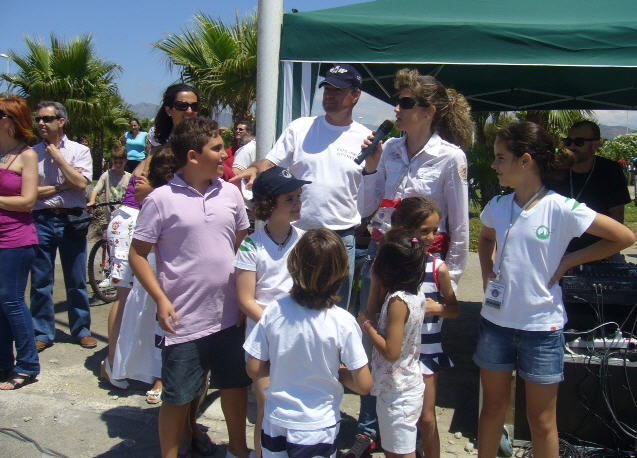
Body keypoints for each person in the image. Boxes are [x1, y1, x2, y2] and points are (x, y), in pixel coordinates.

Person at [476, 121, 635, 457]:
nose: (494, 165)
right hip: (496, 326)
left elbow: (623, 236)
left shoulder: (561, 208)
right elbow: (486, 236)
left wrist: (568, 260)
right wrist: (488, 271)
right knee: (491, 410)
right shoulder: (498, 206)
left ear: (526, 160)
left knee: (542, 421)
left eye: (500, 158)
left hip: (541, 330)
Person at [350, 67, 473, 457]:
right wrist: (371, 165)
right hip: (381, 258)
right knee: (379, 345)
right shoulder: (390, 151)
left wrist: (445, 281)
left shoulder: (450, 158)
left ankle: (417, 439)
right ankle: (374, 429)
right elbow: (367, 208)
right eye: (397, 102)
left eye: (405, 103)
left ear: (428, 110)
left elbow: (461, 224)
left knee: (416, 356)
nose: (397, 110)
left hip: (424, 270)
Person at [129, 117, 251, 458]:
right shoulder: (161, 199)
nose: (225, 154)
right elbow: (138, 255)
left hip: (230, 316)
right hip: (183, 320)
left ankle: (239, 450)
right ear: (194, 156)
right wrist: (160, 298)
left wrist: (245, 297)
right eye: (217, 149)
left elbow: (241, 246)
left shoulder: (230, 193)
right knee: (179, 396)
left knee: (235, 385)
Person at [234, 64, 375, 310]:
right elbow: (270, 162)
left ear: (356, 96)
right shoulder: (300, 127)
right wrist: (255, 169)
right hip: (298, 236)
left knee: (335, 312)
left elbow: (372, 191)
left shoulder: (366, 139)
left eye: (338, 90)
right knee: (295, 307)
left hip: (341, 238)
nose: (330, 95)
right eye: (327, 89)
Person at [100, 84, 200, 393]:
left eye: (194, 105)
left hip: (160, 221)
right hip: (136, 220)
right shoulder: (161, 142)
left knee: (158, 296)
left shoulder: (194, 139)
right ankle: (115, 363)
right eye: (182, 106)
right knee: (126, 293)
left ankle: (154, 370)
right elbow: (142, 188)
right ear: (169, 109)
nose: (189, 111)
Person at [243, 228, 373, 458]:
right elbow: (364, 385)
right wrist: (338, 373)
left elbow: (253, 368)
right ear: (342, 272)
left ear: (293, 265)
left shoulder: (274, 310)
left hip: (275, 420)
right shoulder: (343, 322)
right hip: (317, 426)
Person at [234, 166, 310, 457]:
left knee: (296, 407)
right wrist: (280, 325)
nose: (297, 202)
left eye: (299, 196)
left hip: (299, 339)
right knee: (266, 406)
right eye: (290, 198)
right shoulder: (252, 247)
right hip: (263, 339)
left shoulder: (305, 242)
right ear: (268, 204)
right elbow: (245, 300)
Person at [391, 198, 459, 458]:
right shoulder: (391, 265)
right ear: (407, 230)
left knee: (427, 419)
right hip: (398, 354)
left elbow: (454, 310)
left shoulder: (438, 268)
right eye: (425, 231)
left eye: (435, 230)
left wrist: (437, 309)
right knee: (399, 416)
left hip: (427, 352)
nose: (432, 237)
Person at [111, 148, 177, 403]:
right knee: (150, 315)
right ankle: (152, 371)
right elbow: (138, 184)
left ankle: (162, 375)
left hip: (178, 261)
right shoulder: (153, 163)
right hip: (152, 253)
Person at [30, 101, 94, 352]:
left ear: (61, 122)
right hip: (41, 219)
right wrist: (61, 186)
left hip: (72, 219)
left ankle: (81, 330)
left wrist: (58, 158)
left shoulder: (79, 151)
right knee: (40, 280)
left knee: (76, 278)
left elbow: (80, 183)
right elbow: (30, 192)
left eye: (47, 119)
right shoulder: (32, 154)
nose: (41, 124)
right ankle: (43, 331)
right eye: (39, 119)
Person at [358, 229, 428, 458]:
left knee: (399, 452)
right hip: (402, 386)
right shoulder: (414, 292)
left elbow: (391, 351)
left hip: (398, 392)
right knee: (395, 448)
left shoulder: (398, 302)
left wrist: (367, 325)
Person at [0, 97, 40, 390]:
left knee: (12, 300)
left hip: (16, 237)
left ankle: (27, 364)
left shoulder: (27, 156)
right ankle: (3, 362)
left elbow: (28, 201)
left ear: (12, 120)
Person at [550, 120, 631, 253]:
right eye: (568, 141)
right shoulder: (556, 169)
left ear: (596, 144)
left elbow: (617, 217)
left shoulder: (610, 170)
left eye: (579, 142)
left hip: (597, 251)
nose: (572, 146)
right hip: (558, 249)